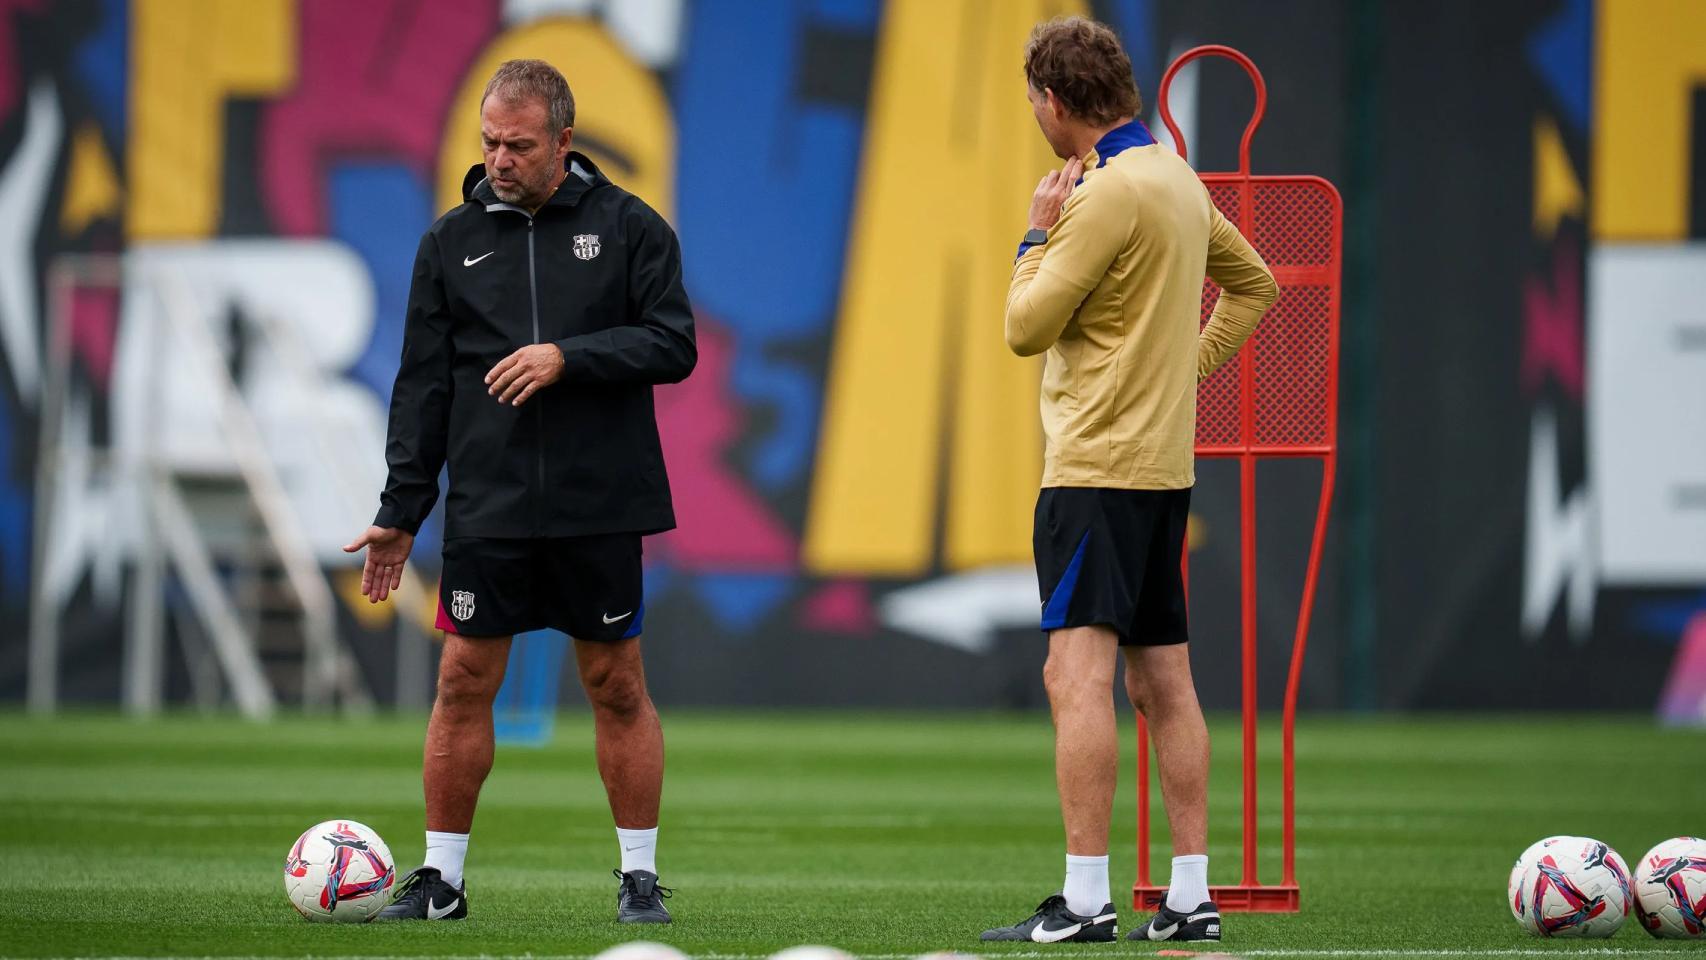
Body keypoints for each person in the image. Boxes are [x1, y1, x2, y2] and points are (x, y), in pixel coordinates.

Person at [342, 58, 695, 924]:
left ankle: (639, 878)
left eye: (520, 144)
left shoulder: (629, 227)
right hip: (490, 506)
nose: (500, 159)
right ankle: (441, 882)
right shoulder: (447, 243)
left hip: (599, 500)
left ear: (564, 142)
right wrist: (399, 514)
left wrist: (569, 357)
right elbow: (422, 387)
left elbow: (673, 344)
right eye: (490, 142)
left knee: (615, 683)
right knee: (462, 678)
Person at [979, 16, 1277, 946]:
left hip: (1095, 470)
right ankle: (1191, 897)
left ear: (1055, 103)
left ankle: (1084, 899)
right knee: (1165, 687)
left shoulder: (1101, 195)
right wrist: (1184, 370)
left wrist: (1035, 232)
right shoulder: (1177, 179)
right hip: (1160, 471)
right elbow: (1257, 283)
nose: (1033, 112)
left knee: (1077, 679)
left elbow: (1024, 328)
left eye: (1033, 99)